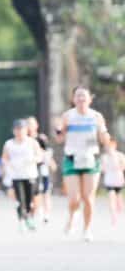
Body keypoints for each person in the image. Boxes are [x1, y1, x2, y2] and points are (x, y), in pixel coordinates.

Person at [55, 86, 110, 242]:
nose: (80, 99)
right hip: (72, 158)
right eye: (78, 96)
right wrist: (59, 130)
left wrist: (103, 132)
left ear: (90, 99)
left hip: (91, 158)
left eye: (83, 96)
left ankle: (87, 229)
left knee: (88, 197)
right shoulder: (67, 116)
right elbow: (59, 139)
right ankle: (73, 215)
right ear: (73, 99)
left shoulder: (96, 117)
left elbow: (103, 140)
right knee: (74, 199)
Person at [1, 119, 43, 232]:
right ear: (14, 131)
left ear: (26, 130)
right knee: (20, 199)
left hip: (30, 174)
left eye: (22, 129)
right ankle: (21, 221)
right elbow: (4, 158)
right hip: (16, 175)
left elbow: (40, 156)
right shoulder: (9, 144)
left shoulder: (32, 142)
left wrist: (32, 160)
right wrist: (8, 165)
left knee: (29, 200)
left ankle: (28, 216)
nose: (19, 131)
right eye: (17, 129)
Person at [26, 116, 54, 224]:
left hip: (42, 168)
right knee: (34, 192)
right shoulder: (24, 139)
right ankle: (35, 211)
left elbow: (47, 153)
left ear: (36, 125)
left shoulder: (41, 138)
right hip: (30, 170)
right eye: (28, 124)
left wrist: (51, 163)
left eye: (32, 124)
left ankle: (46, 214)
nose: (30, 126)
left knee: (45, 191)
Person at [101, 137, 125, 226]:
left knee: (118, 197)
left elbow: (123, 166)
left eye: (109, 146)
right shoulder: (104, 157)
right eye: (106, 146)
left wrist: (117, 165)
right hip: (109, 180)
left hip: (118, 180)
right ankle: (113, 215)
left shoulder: (120, 155)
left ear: (114, 146)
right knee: (111, 197)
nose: (108, 148)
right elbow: (102, 169)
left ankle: (119, 206)